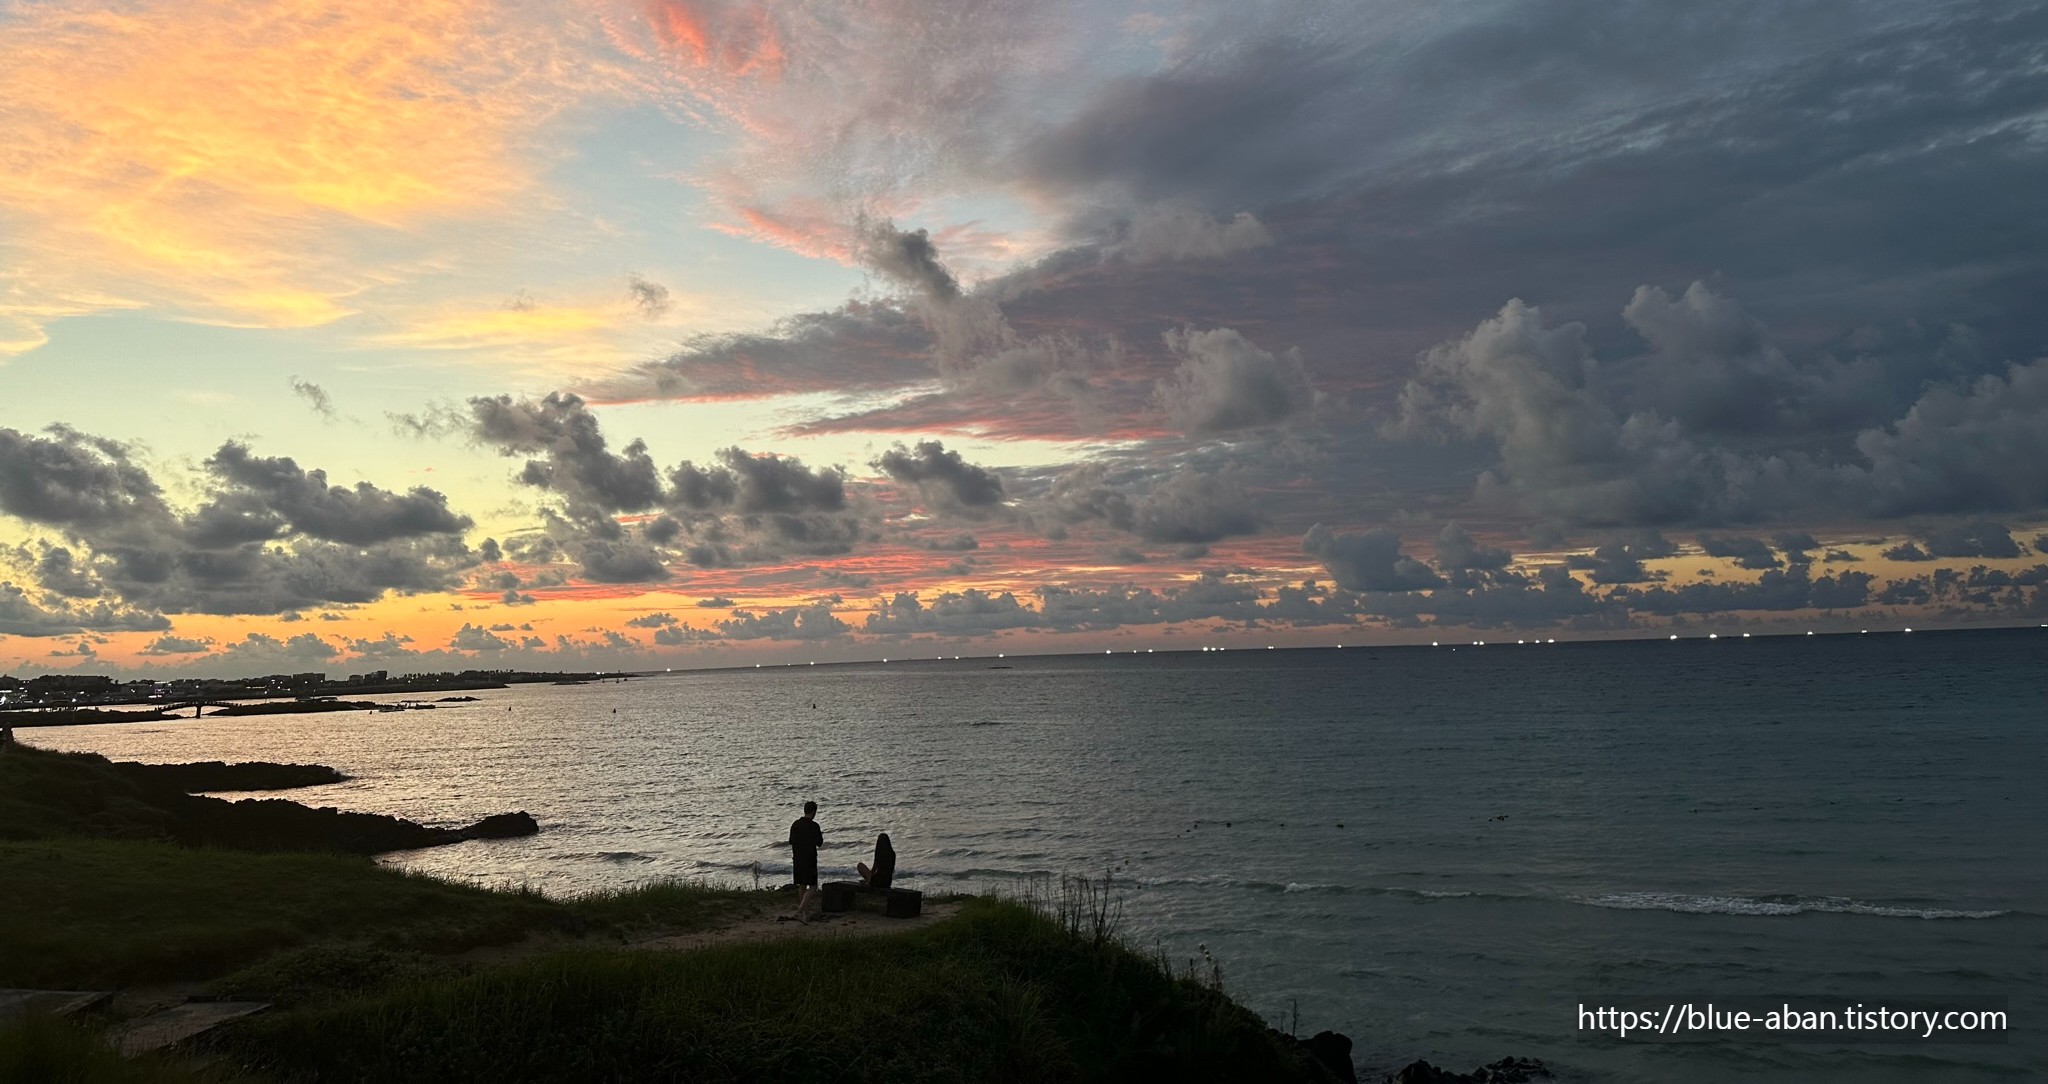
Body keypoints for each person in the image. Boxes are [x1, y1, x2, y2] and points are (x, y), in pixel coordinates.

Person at [788, 800, 824, 921]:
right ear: (813, 812)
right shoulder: (814, 826)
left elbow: (791, 841)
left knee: (802, 885)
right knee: (813, 886)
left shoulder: (795, 825)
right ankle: (800, 911)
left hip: (797, 859)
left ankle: (805, 914)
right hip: (810, 859)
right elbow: (819, 843)